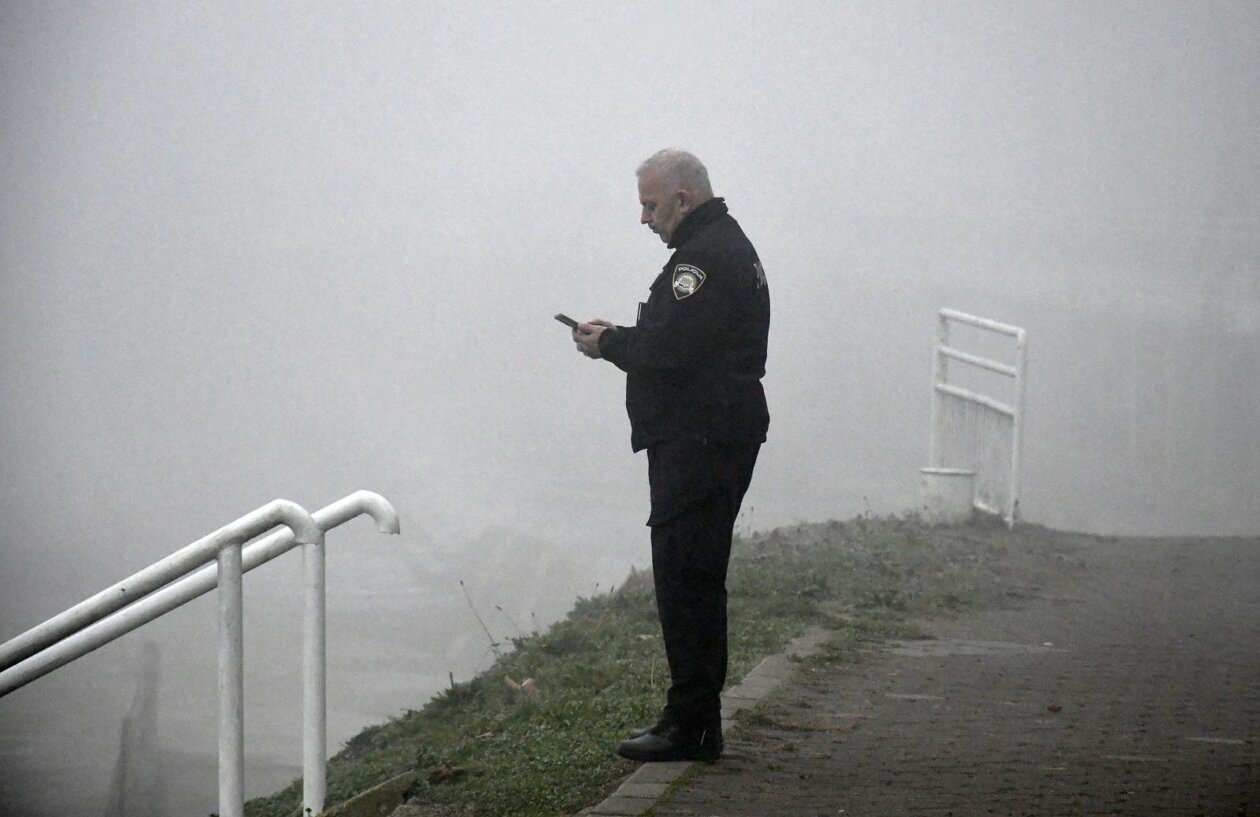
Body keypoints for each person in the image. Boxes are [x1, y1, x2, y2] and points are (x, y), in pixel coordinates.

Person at [572, 149, 770, 762]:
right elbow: (679, 340)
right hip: (712, 435)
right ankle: (696, 721)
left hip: (701, 440)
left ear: (683, 200)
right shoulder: (723, 246)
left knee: (686, 581)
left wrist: (608, 344)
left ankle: (689, 725)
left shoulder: (703, 260)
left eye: (650, 206)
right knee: (696, 579)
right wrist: (622, 340)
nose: (644, 219)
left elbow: (670, 349)